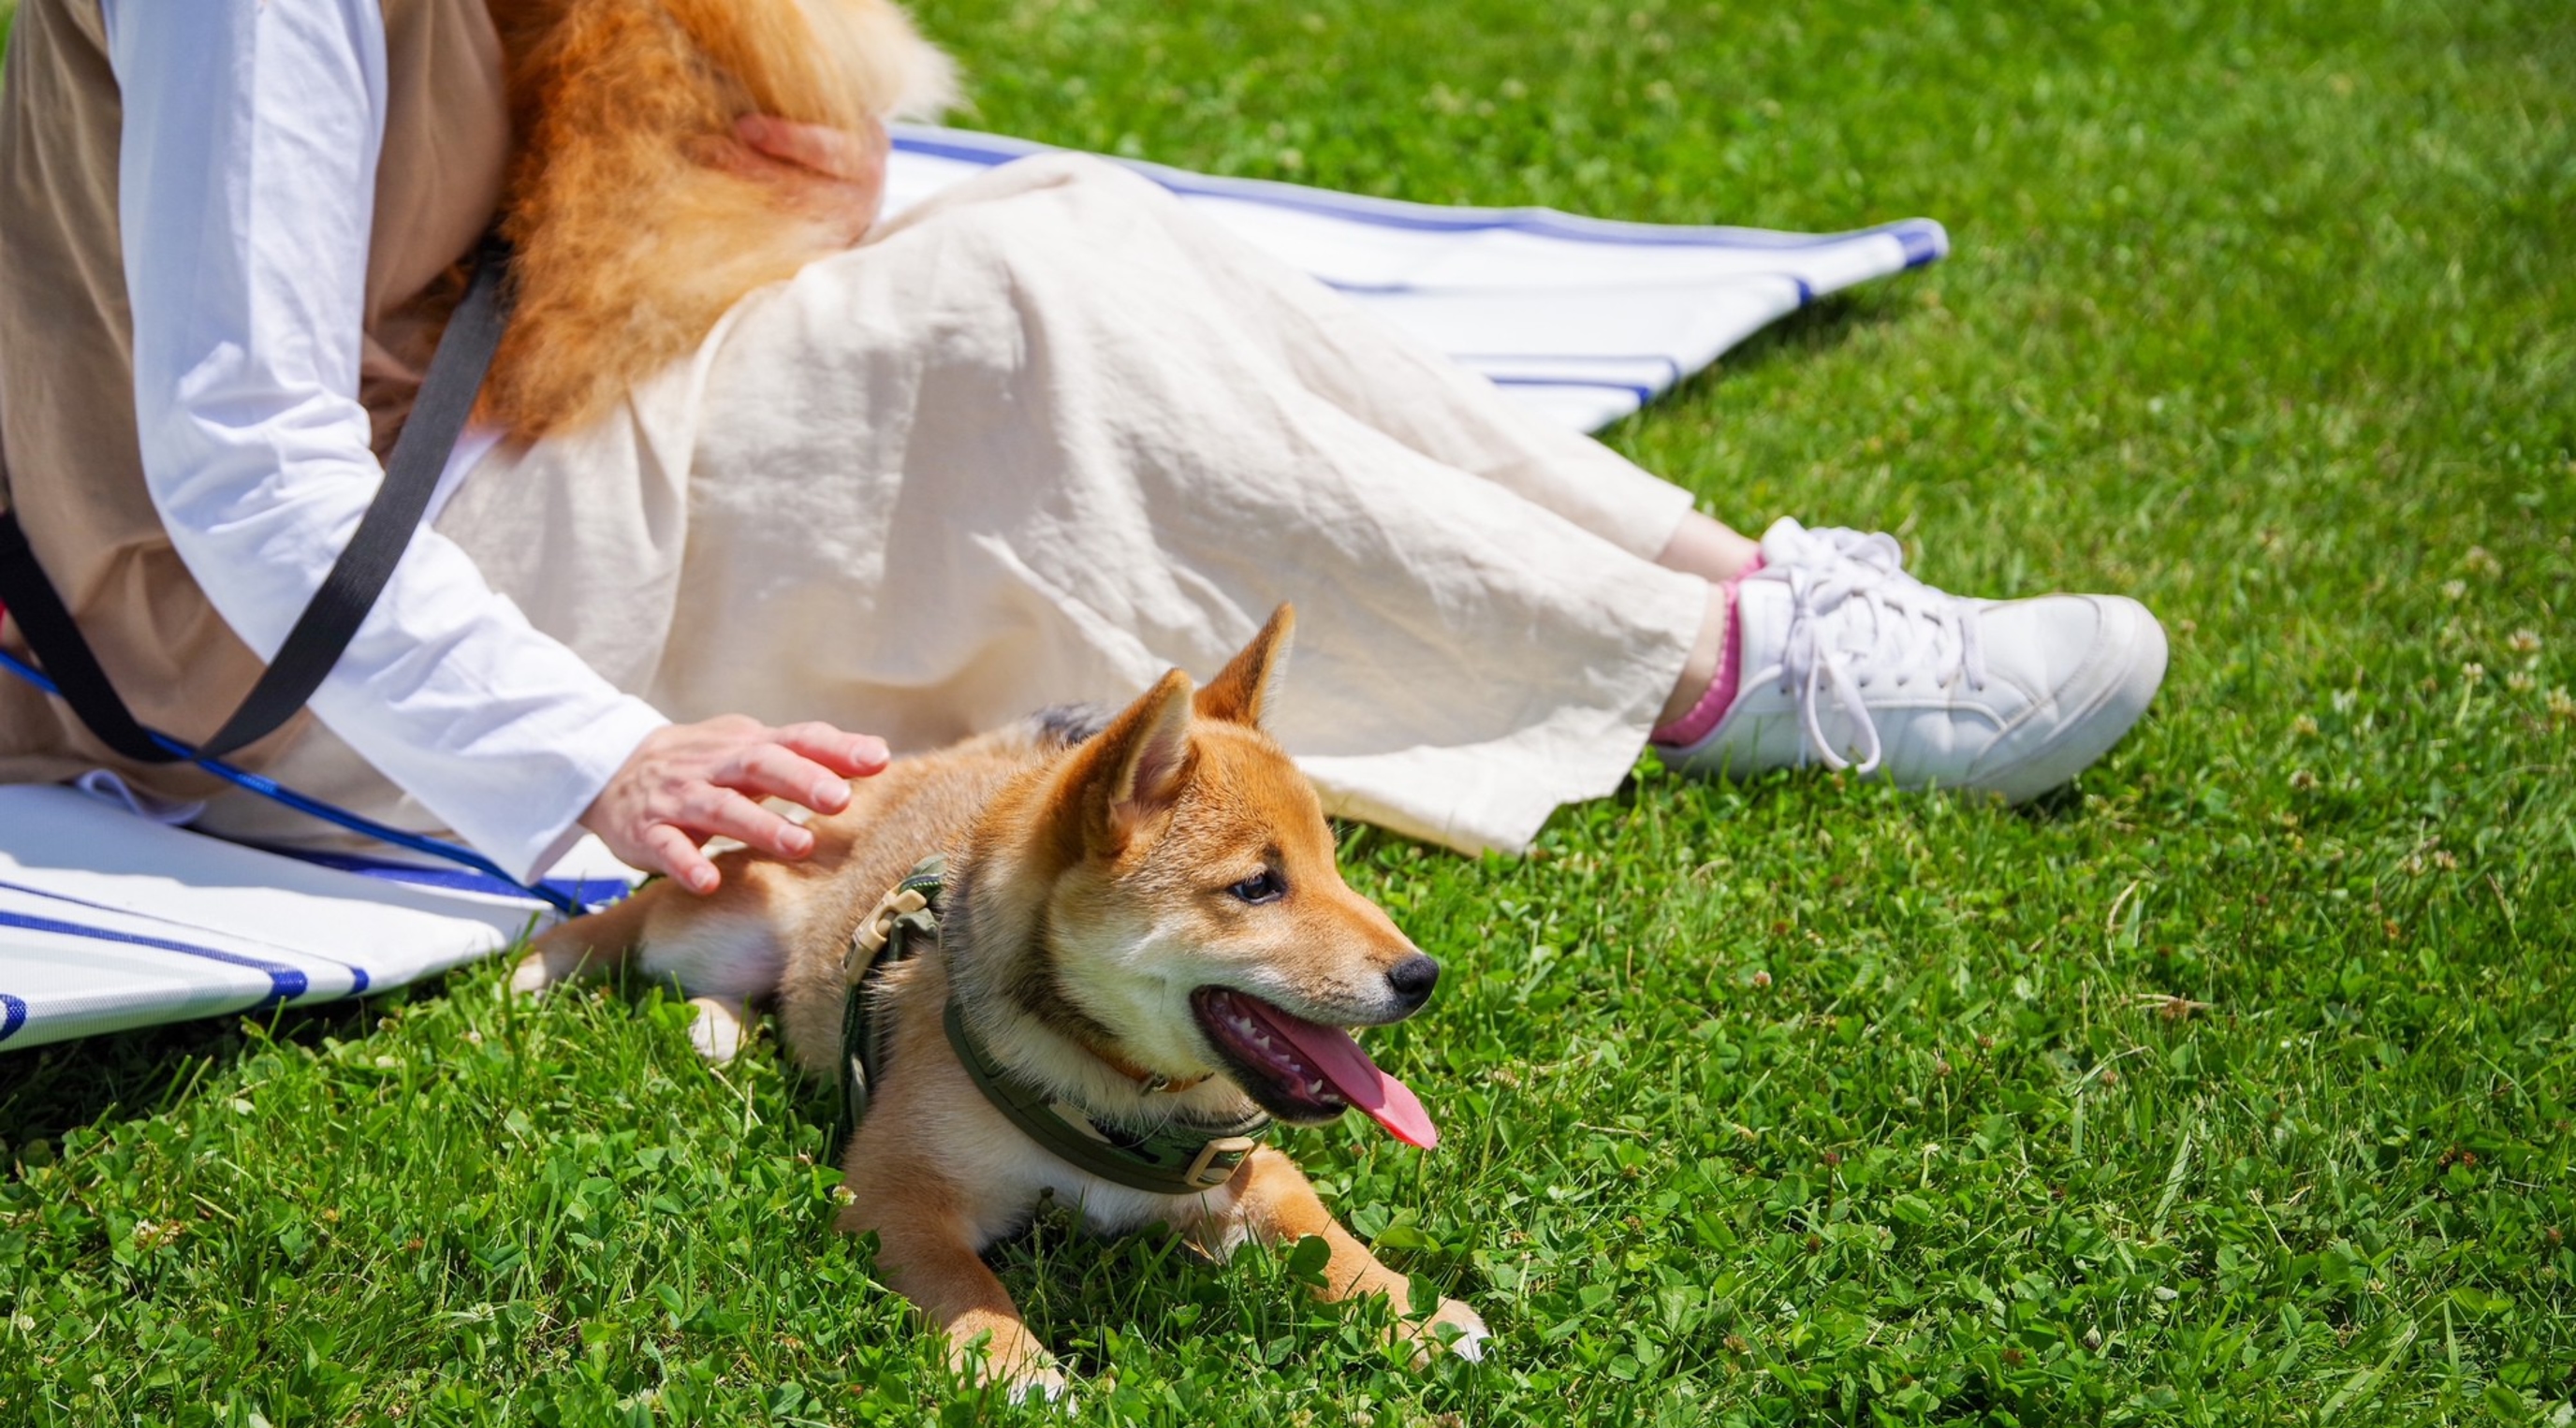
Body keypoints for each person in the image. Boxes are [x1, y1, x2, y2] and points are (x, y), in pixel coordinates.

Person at [0, 0, 2163, 896]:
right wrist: (586, 757)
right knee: (1010, 327)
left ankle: (1724, 594)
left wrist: (745, 197)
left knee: (1072, 237)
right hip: (257, 647)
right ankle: (1723, 688)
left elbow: (578, 177)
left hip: (458, 469)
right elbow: (239, 444)